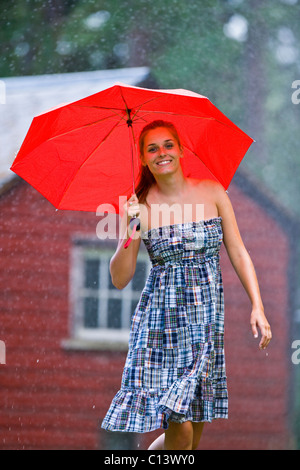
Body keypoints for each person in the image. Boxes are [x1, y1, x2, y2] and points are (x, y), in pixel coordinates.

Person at [101, 120, 272, 450]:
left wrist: (258, 305)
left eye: (167, 145)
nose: (161, 153)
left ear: (180, 149)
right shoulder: (140, 206)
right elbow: (119, 278)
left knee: (192, 426)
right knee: (179, 419)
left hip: (206, 321)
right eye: (152, 148)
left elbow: (237, 250)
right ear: (143, 158)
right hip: (163, 325)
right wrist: (131, 226)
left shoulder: (212, 193)